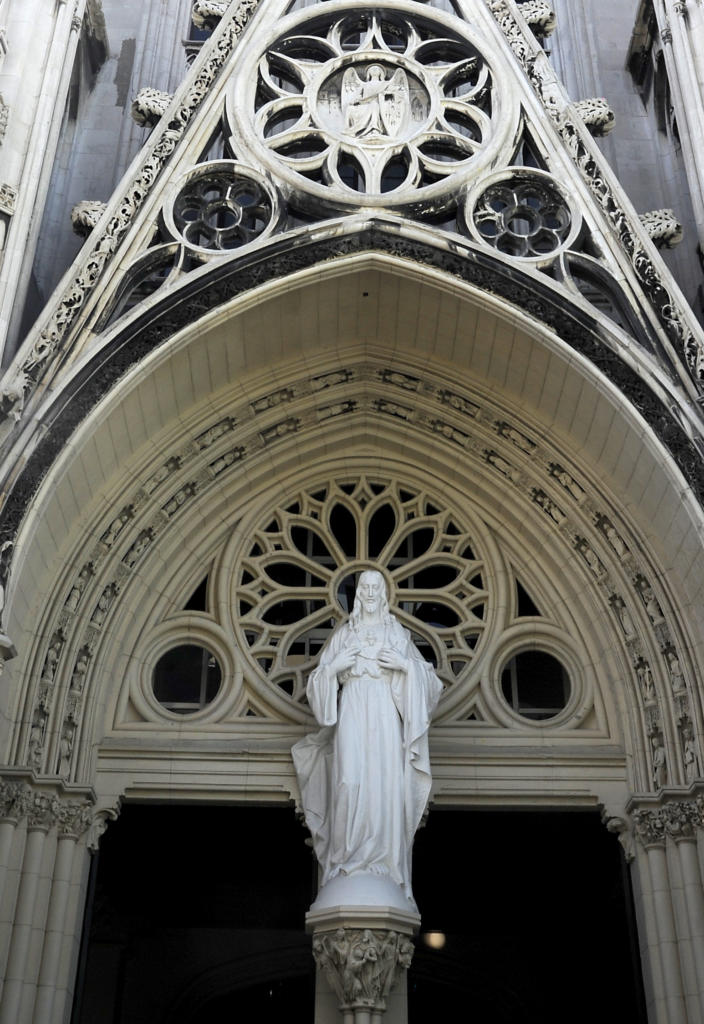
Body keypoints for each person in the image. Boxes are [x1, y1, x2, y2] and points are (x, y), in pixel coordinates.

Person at [292, 569, 443, 905]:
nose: (371, 592)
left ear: (383, 593)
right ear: (358, 593)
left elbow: (431, 685)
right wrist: (334, 668)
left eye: (377, 587)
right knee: (348, 780)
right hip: (352, 710)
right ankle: (346, 861)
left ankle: (383, 864)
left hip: (385, 713)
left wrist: (405, 665)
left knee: (384, 784)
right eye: (366, 587)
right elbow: (318, 681)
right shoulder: (345, 635)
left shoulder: (396, 632)